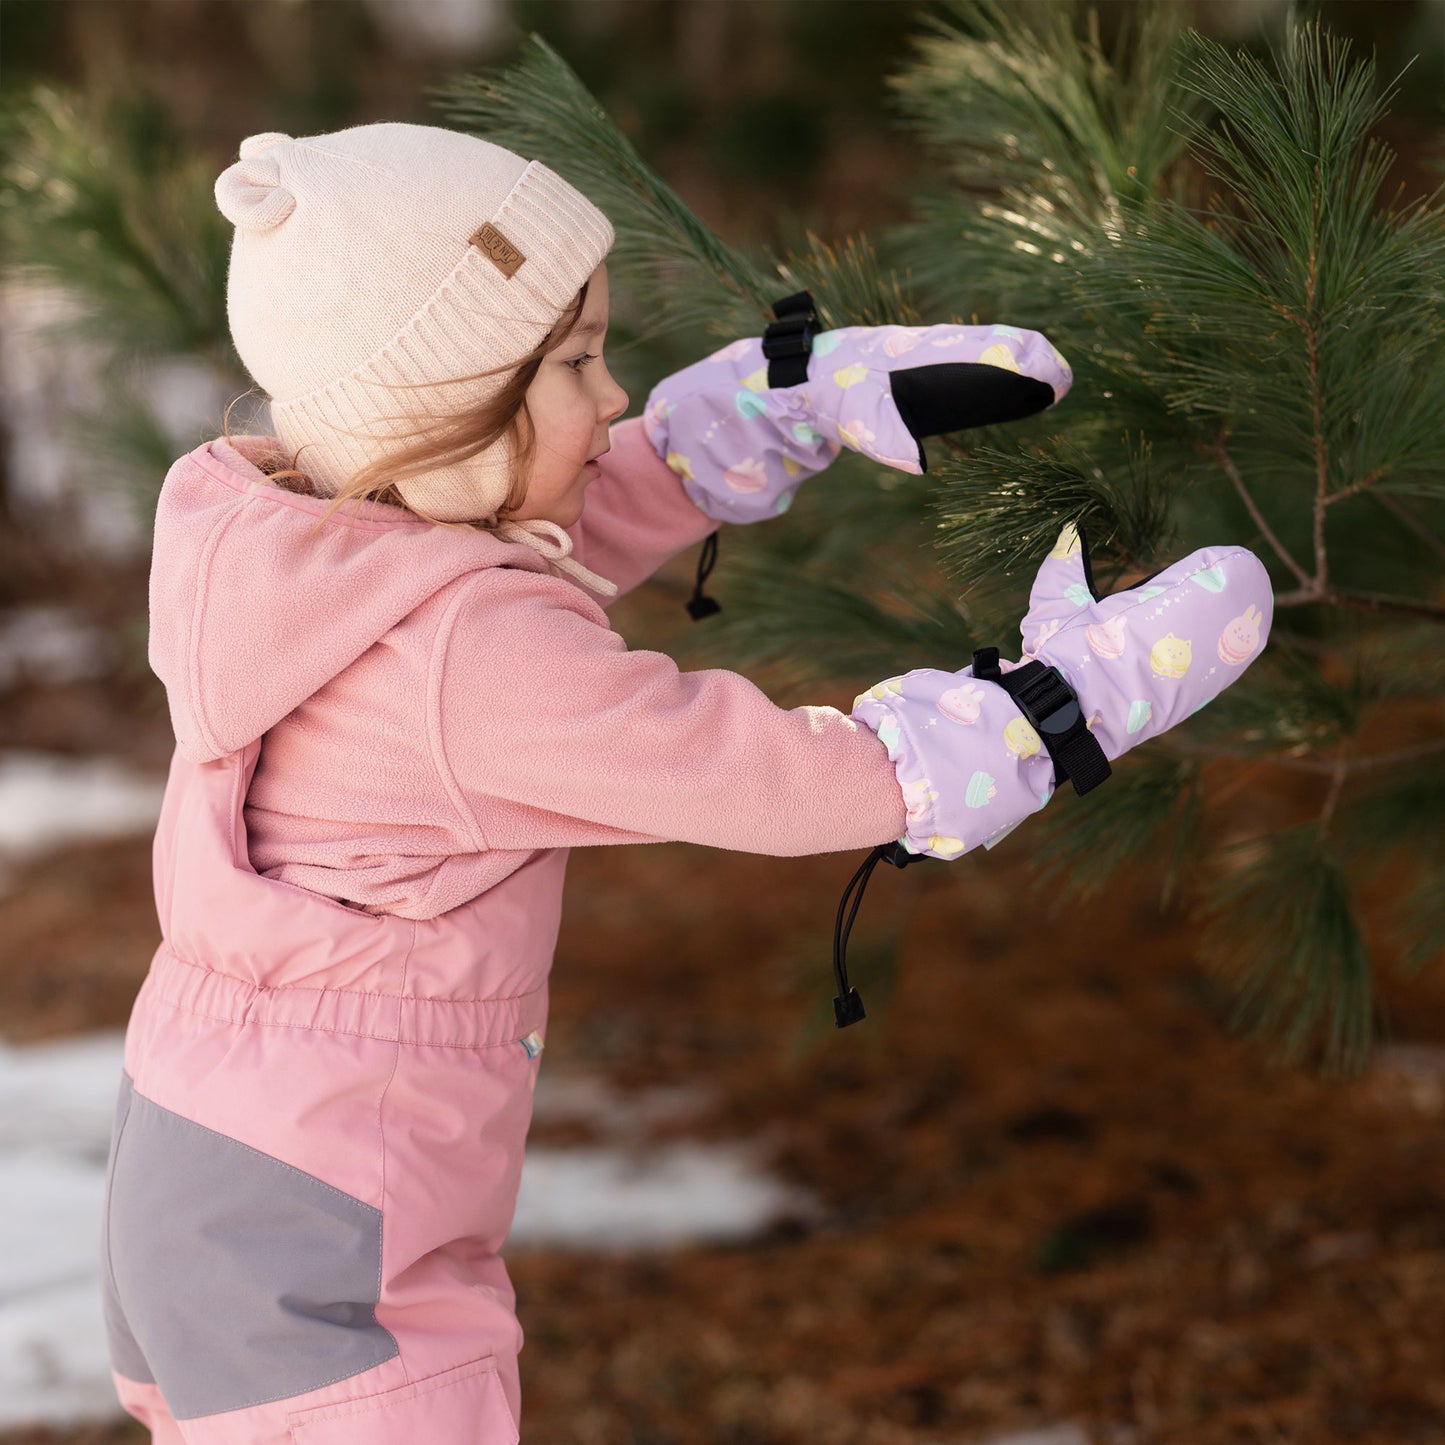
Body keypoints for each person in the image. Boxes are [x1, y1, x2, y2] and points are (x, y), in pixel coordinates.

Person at [100, 122, 1272, 1444]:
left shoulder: (282, 541)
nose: (610, 400)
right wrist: (1042, 712)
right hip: (322, 1223)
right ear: (439, 410)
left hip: (210, 1151)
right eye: (573, 363)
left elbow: (509, 557)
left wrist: (773, 412)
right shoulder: (470, 667)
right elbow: (773, 780)